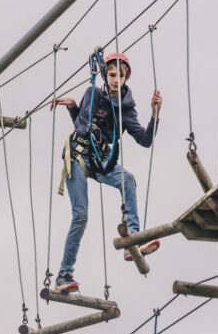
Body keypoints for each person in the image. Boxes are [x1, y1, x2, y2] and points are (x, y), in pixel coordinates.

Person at [50, 51, 163, 293]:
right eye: (111, 74)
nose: (115, 79)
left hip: (102, 160)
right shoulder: (93, 93)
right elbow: (82, 126)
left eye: (119, 76)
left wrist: (155, 114)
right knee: (80, 215)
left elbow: (144, 140)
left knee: (129, 180)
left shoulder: (127, 109)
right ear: (105, 74)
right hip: (78, 156)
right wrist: (74, 108)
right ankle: (63, 275)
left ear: (126, 79)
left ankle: (133, 238)